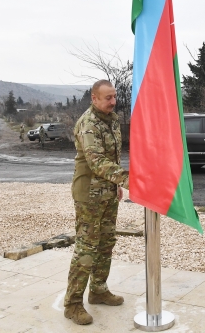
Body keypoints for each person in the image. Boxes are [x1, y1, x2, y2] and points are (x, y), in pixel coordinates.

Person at [64, 80, 129, 326]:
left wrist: (115, 186)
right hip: (88, 195)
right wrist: (127, 179)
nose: (113, 102)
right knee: (86, 248)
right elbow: (97, 162)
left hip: (107, 191)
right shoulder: (88, 124)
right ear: (94, 98)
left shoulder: (110, 119)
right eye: (107, 98)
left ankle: (98, 290)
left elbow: (113, 156)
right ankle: (72, 304)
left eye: (114, 97)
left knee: (105, 242)